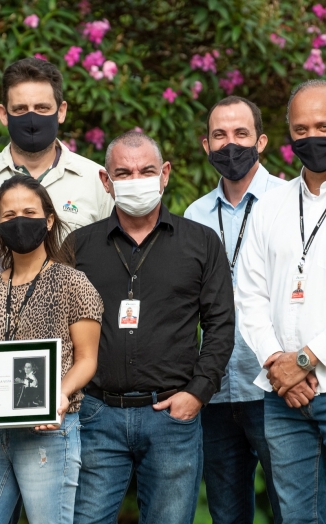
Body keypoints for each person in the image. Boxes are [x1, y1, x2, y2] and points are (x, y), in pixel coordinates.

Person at [71, 130, 235, 524]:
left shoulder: (201, 242)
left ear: (164, 174)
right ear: (105, 182)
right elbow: (61, 328)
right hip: (97, 414)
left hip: (171, 417)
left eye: (146, 170)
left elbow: (220, 324)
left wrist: (197, 394)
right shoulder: (79, 247)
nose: (136, 180)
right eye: (123, 173)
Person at [0, 174, 103, 524]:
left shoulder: (74, 283)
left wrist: (59, 394)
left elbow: (87, 359)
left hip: (48, 432)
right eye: (8, 215)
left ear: (49, 220)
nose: (19, 221)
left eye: (29, 211)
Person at [184, 96, 283, 524]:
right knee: (227, 516)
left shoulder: (289, 202)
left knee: (293, 510)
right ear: (206, 144)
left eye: (241, 134)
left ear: (260, 140)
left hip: (276, 387)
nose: (230, 144)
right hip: (217, 391)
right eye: (220, 135)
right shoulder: (194, 214)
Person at [236, 79, 326, 523]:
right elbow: (248, 294)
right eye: (302, 129)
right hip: (283, 394)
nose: (312, 138)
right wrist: (277, 362)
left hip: (311, 376)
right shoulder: (271, 206)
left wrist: (305, 361)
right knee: (296, 516)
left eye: (323, 126)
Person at [0, 57, 113, 229]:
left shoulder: (98, 184)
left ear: (61, 111)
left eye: (42, 108)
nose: (32, 118)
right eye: (20, 109)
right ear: (3, 114)